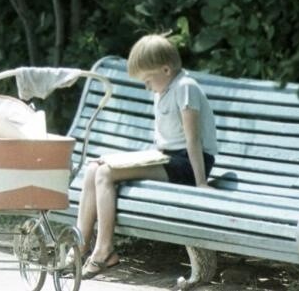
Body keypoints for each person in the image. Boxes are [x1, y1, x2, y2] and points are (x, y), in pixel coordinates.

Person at [73, 33, 218, 279]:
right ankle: (78, 247)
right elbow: (164, 141)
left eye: (148, 80)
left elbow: (193, 141)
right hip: (168, 157)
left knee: (106, 174)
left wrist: (201, 182)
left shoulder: (185, 88)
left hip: (190, 163)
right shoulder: (164, 88)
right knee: (94, 169)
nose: (147, 86)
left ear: (165, 69)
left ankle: (104, 250)